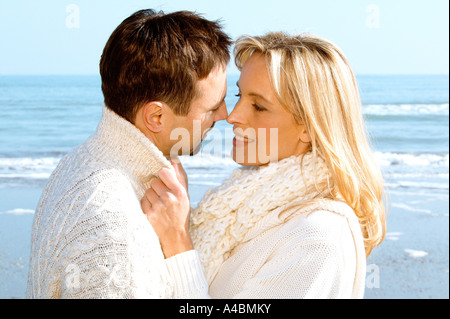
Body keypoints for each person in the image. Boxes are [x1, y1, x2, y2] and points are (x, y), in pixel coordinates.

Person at [142, 32, 387, 298]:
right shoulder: (244, 208)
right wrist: (182, 218)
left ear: (308, 127)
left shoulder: (318, 237)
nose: (233, 116)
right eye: (239, 95)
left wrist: (177, 240)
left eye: (258, 106)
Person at [27, 9, 231, 298]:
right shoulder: (117, 234)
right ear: (156, 117)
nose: (225, 115)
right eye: (213, 107)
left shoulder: (78, 162)